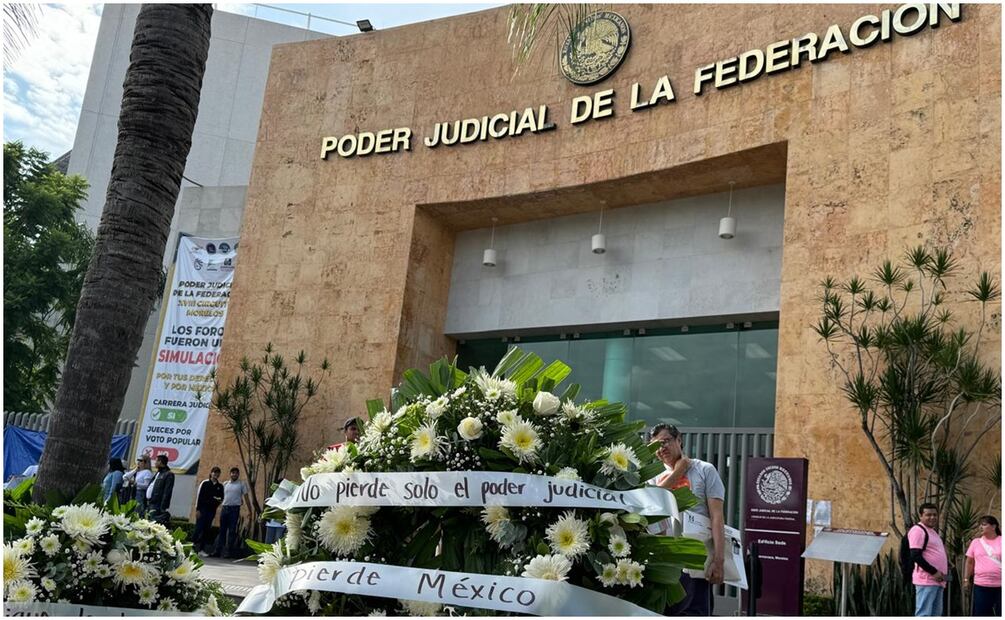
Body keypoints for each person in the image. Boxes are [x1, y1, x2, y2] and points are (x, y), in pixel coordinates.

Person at [649, 423, 726, 615]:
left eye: (665, 441)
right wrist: (678, 472)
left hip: (696, 559)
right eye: (655, 445)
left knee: (693, 612)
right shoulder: (652, 477)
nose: (661, 448)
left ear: (679, 440)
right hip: (665, 561)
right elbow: (654, 500)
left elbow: (717, 517)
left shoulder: (705, 470)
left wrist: (718, 561)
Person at [908, 502, 949, 617]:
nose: (932, 517)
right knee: (924, 614)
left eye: (935, 515)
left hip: (938, 580)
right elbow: (915, 555)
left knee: (936, 614)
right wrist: (933, 571)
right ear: (921, 516)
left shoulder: (932, 532)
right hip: (926, 580)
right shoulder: (918, 530)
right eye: (928, 515)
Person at [964, 515, 1001, 616]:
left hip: (1001, 585)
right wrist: (966, 580)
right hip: (981, 585)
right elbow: (969, 562)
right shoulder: (975, 542)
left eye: (984, 525)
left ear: (993, 526)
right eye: (979, 525)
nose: (980, 527)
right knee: (982, 613)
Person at [212, 467, 252, 558]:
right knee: (222, 530)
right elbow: (220, 497)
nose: (234, 474)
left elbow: (246, 497)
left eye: (236, 473)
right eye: (233, 473)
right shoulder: (225, 484)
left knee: (232, 531)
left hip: (234, 510)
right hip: (224, 509)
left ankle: (228, 552)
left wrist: (250, 510)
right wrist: (214, 507)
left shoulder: (241, 484)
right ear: (230, 474)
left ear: (238, 475)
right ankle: (218, 551)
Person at [193, 466, 225, 556]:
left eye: (218, 473)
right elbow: (199, 497)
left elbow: (220, 498)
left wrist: (215, 502)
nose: (216, 474)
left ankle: (201, 549)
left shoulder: (220, 486)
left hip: (211, 511)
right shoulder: (205, 483)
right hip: (202, 510)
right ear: (211, 473)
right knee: (198, 529)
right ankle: (192, 547)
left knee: (206, 530)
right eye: (214, 472)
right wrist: (197, 509)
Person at [146, 454, 175, 524]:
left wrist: (163, 507)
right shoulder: (158, 473)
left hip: (157, 505)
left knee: (152, 524)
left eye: (156, 461)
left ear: (160, 462)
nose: (155, 463)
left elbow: (167, 492)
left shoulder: (168, 474)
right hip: (150, 503)